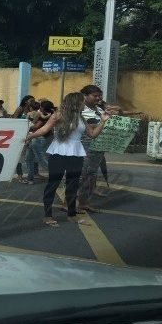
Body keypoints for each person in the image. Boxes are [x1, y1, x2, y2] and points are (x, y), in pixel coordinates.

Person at [26, 92, 110, 227]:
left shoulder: (81, 118)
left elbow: (92, 134)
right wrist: (29, 137)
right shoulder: (58, 115)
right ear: (75, 102)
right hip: (58, 152)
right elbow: (44, 129)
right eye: (82, 102)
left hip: (76, 153)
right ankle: (47, 216)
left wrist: (103, 121)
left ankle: (72, 214)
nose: (83, 104)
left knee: (73, 185)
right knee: (53, 184)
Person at [76, 85, 120, 212]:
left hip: (99, 146)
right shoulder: (80, 110)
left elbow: (113, 117)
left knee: (92, 173)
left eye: (99, 96)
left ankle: (83, 202)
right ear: (85, 96)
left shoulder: (100, 108)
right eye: (95, 96)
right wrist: (99, 124)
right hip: (85, 146)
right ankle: (69, 202)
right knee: (82, 174)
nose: (98, 98)